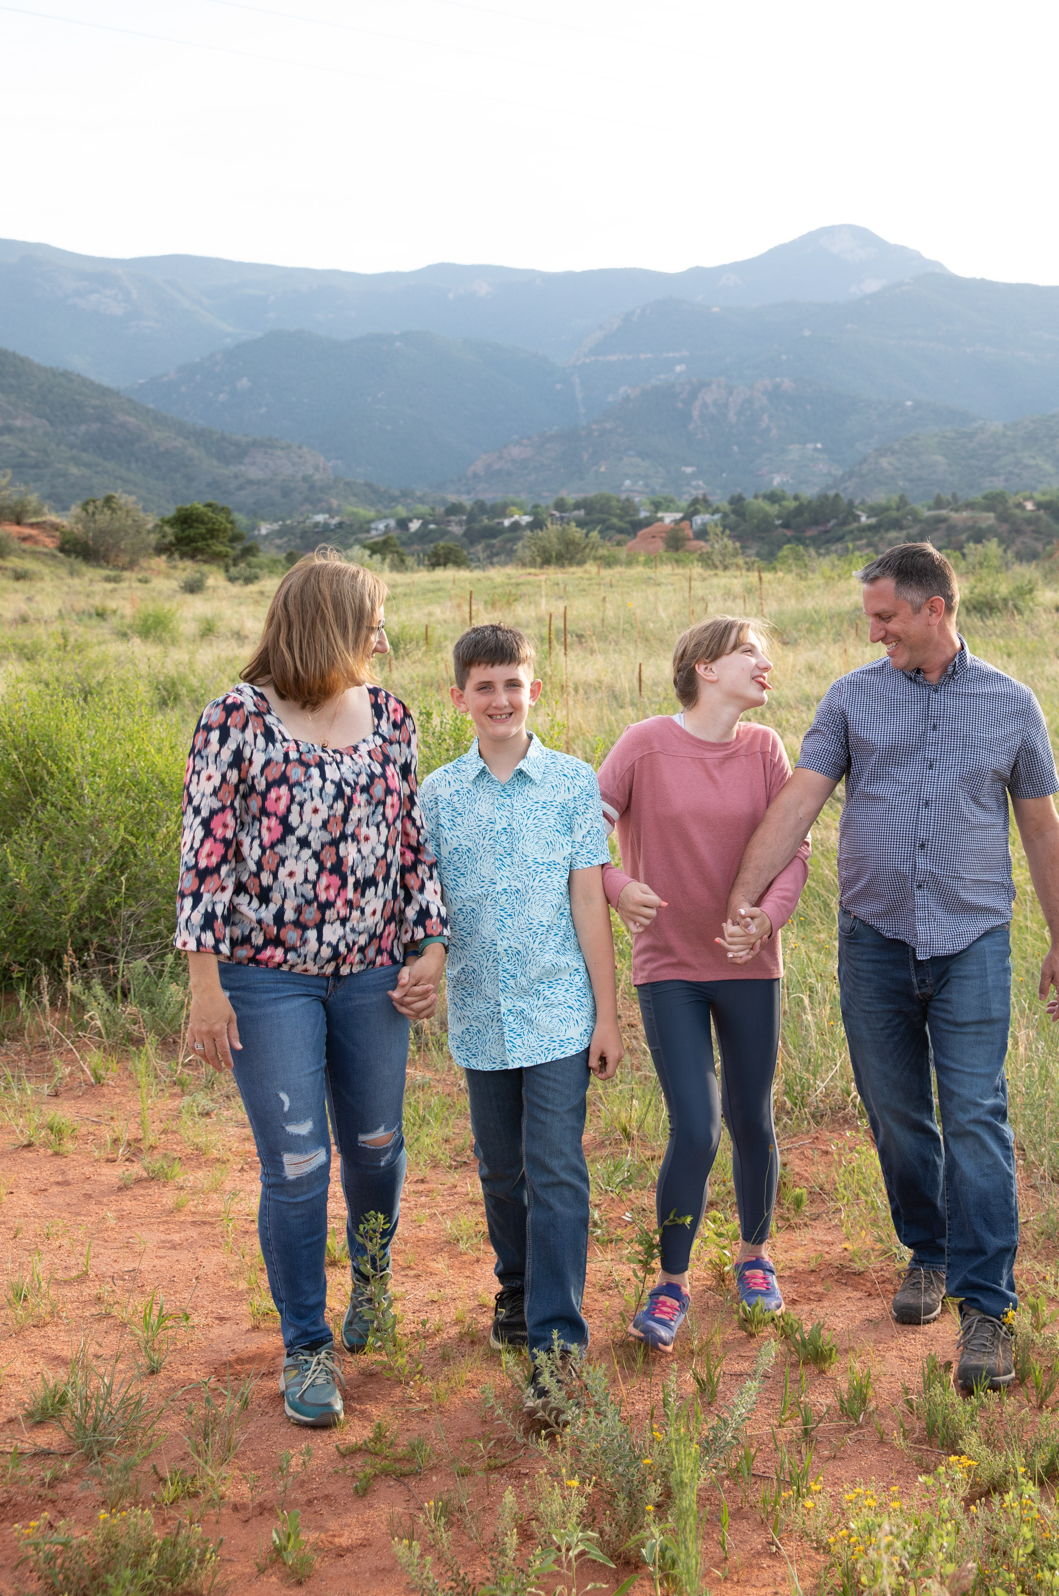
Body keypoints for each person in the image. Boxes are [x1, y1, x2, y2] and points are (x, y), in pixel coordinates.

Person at [721, 542, 1059, 1396]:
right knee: (893, 1113)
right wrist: (743, 895)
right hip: (873, 940)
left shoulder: (1009, 704)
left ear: (932, 609)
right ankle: (928, 1249)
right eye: (870, 617)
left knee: (976, 1116)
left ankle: (987, 1310)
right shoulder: (851, 698)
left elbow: (1038, 829)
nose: (873, 630)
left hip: (971, 942)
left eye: (884, 615)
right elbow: (800, 799)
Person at [176, 552, 447, 1430]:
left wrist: (430, 944)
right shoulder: (235, 718)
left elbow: (409, 843)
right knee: (296, 1167)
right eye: (372, 617)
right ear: (330, 620)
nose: (383, 634)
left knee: (374, 1143)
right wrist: (205, 985)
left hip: (373, 972)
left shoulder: (393, 717)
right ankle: (306, 1345)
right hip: (265, 978)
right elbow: (205, 856)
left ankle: (372, 1282)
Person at [419, 624, 622, 1418]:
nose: (500, 699)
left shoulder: (573, 782)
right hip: (478, 1011)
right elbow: (429, 904)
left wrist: (607, 1016)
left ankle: (558, 1349)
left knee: (556, 1170)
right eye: (484, 687)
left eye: (514, 684)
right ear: (459, 698)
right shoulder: (436, 793)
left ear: (534, 689)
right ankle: (516, 1289)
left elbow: (588, 903)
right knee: (500, 1170)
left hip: (558, 1011)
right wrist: (427, 957)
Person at [598, 617, 810, 1351]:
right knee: (695, 1124)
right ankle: (671, 1282)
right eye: (750, 651)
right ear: (703, 667)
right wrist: (617, 885)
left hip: (750, 966)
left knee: (751, 1118)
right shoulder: (642, 744)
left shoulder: (765, 750)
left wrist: (769, 919)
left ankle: (754, 1258)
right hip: (670, 969)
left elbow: (794, 852)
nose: (765, 664)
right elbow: (577, 834)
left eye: (765, 653)